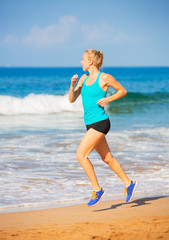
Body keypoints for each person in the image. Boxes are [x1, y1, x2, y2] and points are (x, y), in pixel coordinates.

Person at [69, 49, 137, 206]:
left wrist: (109, 99)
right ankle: (129, 183)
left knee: (81, 155)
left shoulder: (104, 77)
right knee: (107, 158)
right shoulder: (83, 78)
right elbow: (72, 99)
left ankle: (97, 189)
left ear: (90, 62)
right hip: (90, 124)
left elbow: (122, 90)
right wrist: (72, 85)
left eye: (83, 59)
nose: (81, 62)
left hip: (101, 123)